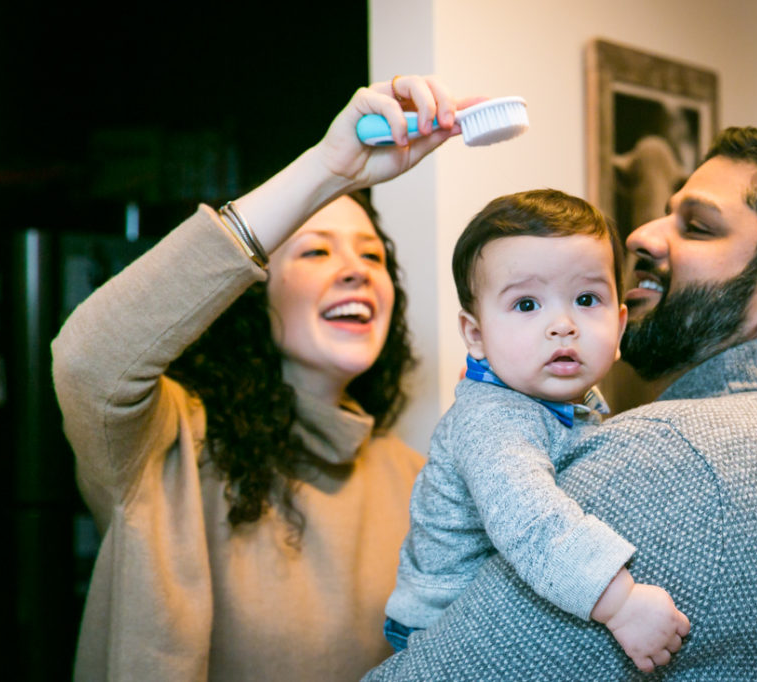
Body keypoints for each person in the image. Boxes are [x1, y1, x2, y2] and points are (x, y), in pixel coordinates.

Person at [365, 126, 757, 680]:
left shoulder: (680, 459)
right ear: (474, 331)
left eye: (697, 226)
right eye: (525, 304)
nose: (641, 235)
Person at [51, 74, 467, 681]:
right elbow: (87, 361)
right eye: (316, 251)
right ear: (248, 292)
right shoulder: (167, 450)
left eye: (372, 256)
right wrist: (329, 168)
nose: (357, 271)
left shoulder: (418, 480)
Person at [383, 189, 689, 672]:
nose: (562, 325)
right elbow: (531, 522)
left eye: (587, 299)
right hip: (439, 625)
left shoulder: (570, 400)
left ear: (620, 325)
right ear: (476, 335)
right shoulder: (492, 420)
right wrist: (620, 602)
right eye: (526, 305)